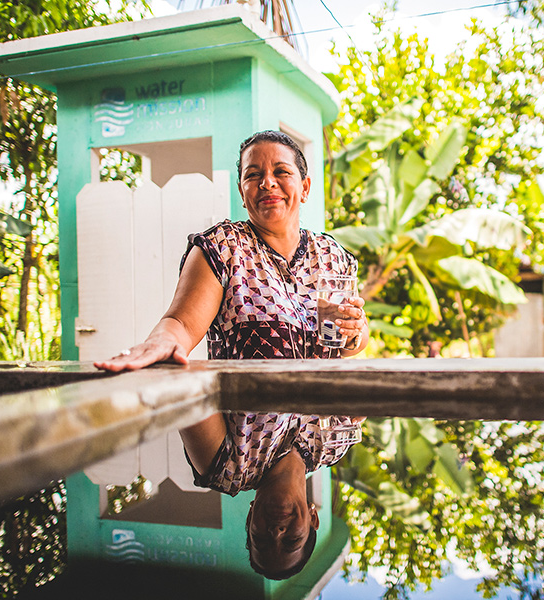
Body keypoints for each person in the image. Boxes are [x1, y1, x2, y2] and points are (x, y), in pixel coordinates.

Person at [94, 130, 368, 579]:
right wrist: (164, 342)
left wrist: (357, 331)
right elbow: (182, 322)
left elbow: (346, 343)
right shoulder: (223, 248)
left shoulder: (225, 467)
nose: (267, 183)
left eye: (280, 172)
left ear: (304, 185)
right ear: (242, 191)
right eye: (253, 175)